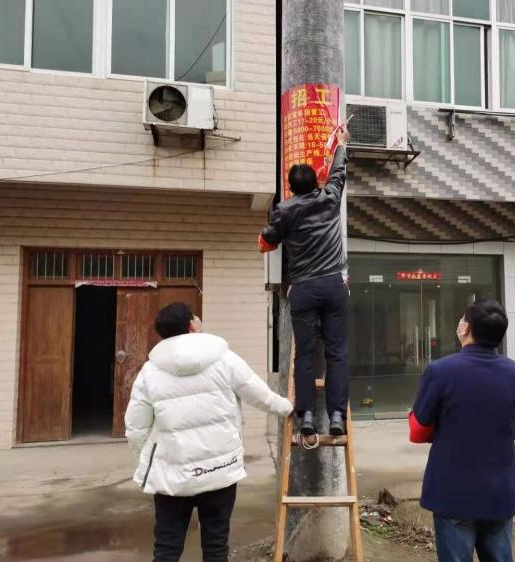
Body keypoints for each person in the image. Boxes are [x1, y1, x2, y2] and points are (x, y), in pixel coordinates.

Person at [125, 302, 293, 562]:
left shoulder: (150, 371)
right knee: (216, 546)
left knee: (167, 548)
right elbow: (259, 395)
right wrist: (289, 408)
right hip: (219, 471)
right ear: (192, 325)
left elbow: (136, 428)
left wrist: (149, 460)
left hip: (171, 475)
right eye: (195, 317)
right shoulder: (224, 359)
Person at [408, 299, 515, 562]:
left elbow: (417, 430)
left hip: (452, 494)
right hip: (499, 494)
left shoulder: (440, 371)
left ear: (465, 328)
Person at [258, 127, 351, 437]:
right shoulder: (330, 197)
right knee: (337, 353)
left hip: (304, 289)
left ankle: (307, 415)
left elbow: (266, 243)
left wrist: (269, 235)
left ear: (290, 188)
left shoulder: (284, 210)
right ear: (316, 183)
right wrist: (341, 143)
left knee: (305, 355)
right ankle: (336, 415)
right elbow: (338, 171)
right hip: (334, 285)